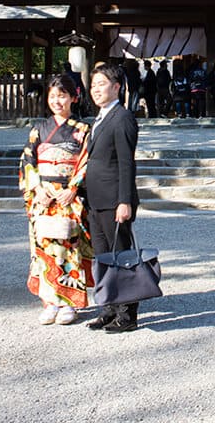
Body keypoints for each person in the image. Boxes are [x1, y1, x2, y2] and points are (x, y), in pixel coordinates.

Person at [19, 75, 93, 326]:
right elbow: (28, 161)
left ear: (74, 97)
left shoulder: (82, 130)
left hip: (66, 195)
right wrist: (36, 188)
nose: (57, 101)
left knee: (68, 247)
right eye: (52, 96)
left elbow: (85, 162)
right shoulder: (38, 128)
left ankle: (70, 303)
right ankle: (50, 301)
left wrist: (73, 188)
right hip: (43, 197)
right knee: (43, 248)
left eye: (62, 95)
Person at [84, 62, 141, 333]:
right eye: (93, 85)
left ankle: (127, 313)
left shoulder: (123, 117)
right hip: (95, 200)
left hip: (115, 200)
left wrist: (125, 201)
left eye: (101, 84)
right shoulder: (99, 118)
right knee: (102, 256)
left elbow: (126, 163)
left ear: (116, 87)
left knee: (121, 256)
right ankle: (108, 307)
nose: (96, 90)